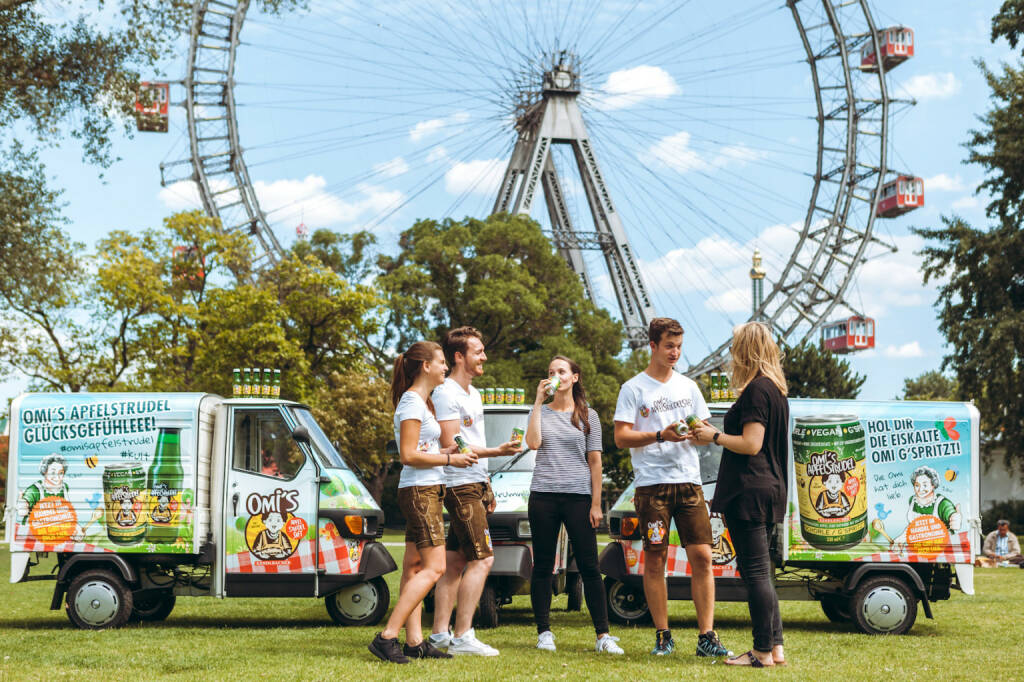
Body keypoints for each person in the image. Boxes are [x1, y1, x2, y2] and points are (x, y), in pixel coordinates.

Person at [613, 318, 730, 658]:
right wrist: (660, 434)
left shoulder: (689, 387)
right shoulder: (633, 388)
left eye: (678, 346)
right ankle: (663, 634)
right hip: (653, 485)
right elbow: (621, 437)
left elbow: (703, 425)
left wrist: (699, 431)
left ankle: (707, 635)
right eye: (668, 346)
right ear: (652, 345)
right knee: (656, 558)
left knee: (703, 556)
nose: (675, 352)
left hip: (690, 483)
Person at [369, 341, 476, 664]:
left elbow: (422, 450)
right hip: (420, 493)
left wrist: (447, 454)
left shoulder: (422, 402)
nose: (446, 367)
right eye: (441, 361)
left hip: (426, 490)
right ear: (425, 366)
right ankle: (387, 637)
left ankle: (414, 642)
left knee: (415, 567)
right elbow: (408, 455)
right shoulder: (412, 402)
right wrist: (448, 460)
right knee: (436, 567)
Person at [692, 321, 789, 668]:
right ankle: (775, 647)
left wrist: (713, 437)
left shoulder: (756, 391)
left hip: (749, 490)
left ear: (745, 350)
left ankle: (761, 651)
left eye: (735, 347)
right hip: (769, 489)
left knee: (756, 574)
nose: (731, 354)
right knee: (763, 571)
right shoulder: (776, 390)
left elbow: (751, 444)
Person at [428, 326, 519, 656]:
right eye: (477, 351)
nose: (483, 356)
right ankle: (464, 635)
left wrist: (487, 484)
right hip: (458, 484)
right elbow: (451, 443)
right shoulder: (446, 392)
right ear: (458, 357)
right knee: (484, 559)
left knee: (454, 562)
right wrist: (497, 451)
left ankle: (440, 635)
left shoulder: (474, 394)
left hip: (476, 483)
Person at [526, 355, 624, 655]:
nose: (556, 375)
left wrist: (596, 504)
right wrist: (536, 403)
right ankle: (544, 632)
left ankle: (602, 635)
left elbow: (595, 461)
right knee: (542, 565)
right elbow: (532, 443)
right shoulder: (540, 412)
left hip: (578, 497)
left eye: (562, 371)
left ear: (575, 377)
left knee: (589, 566)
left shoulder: (588, 415)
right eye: (551, 371)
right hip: (543, 495)